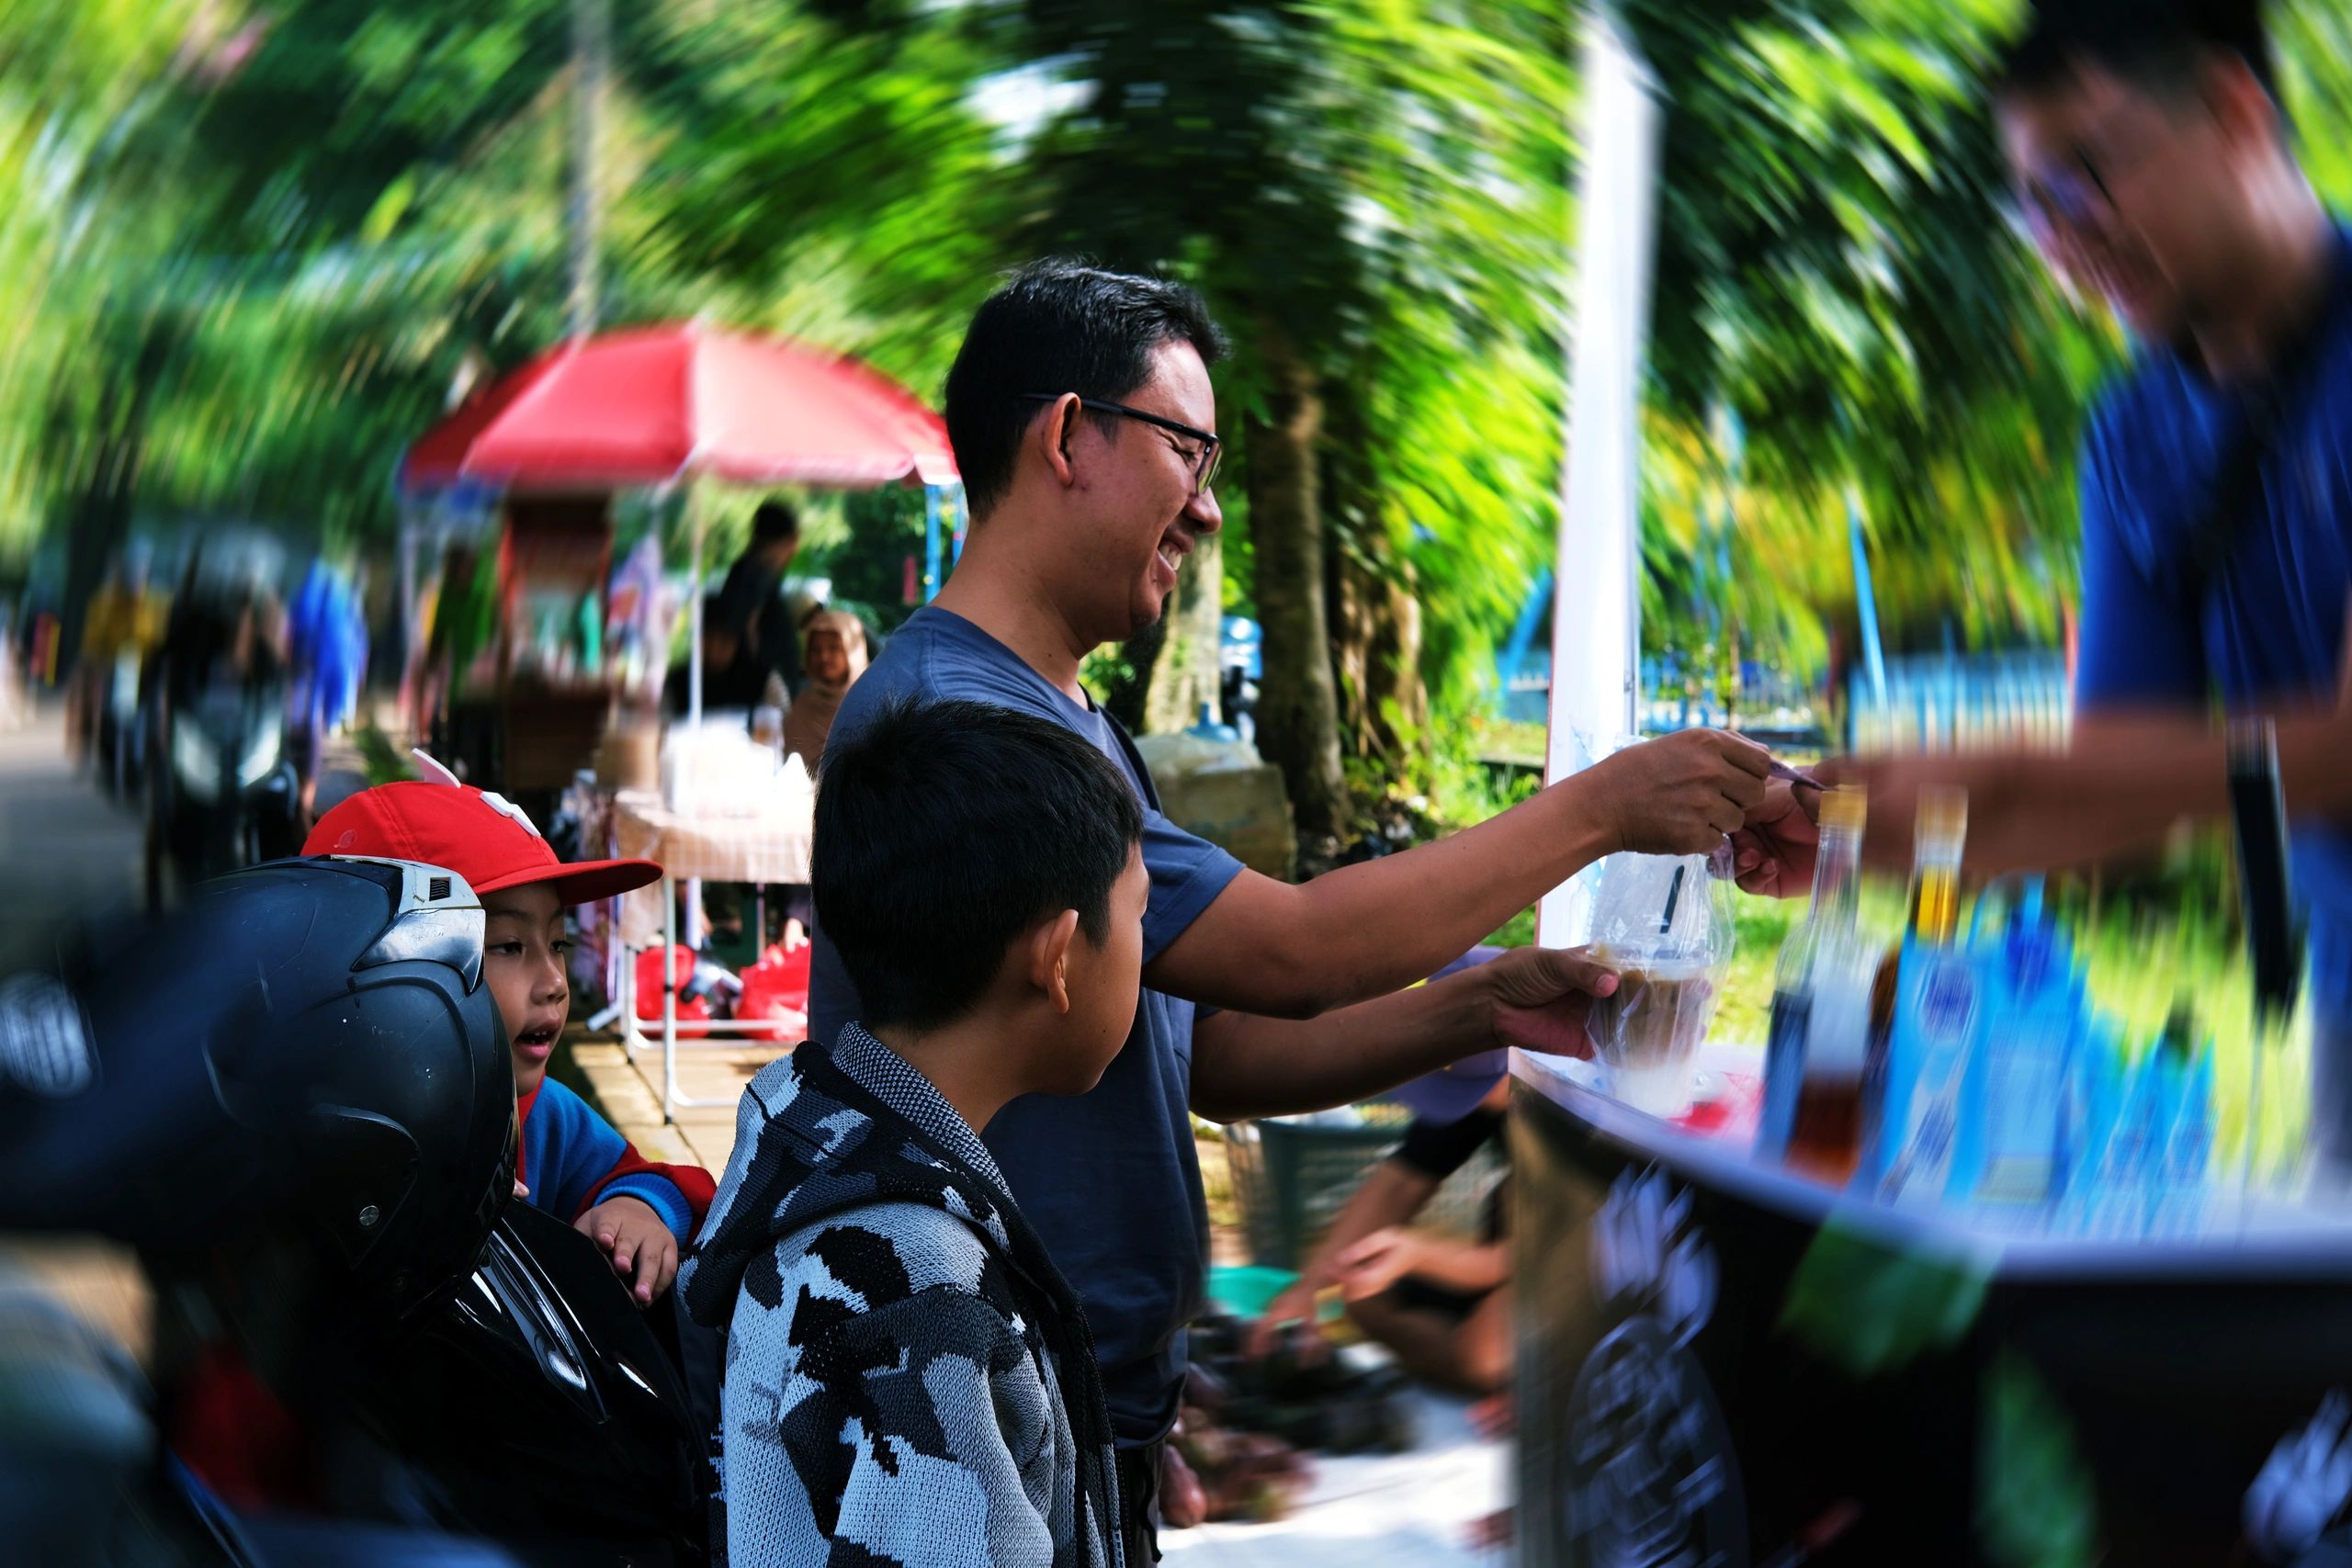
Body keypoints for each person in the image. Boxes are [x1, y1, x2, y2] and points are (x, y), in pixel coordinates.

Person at [806, 259, 1817, 1557]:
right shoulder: (964, 720)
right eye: (1190, 451)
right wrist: (1603, 806)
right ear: (1068, 434)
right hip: (977, 1406)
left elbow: (1208, 1049)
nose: (1211, 510)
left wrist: (1482, 1004)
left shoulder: (1063, 717)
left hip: (1072, 1401)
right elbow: (1292, 948)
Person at [1830, 0, 2352, 1166]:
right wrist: (1865, 829)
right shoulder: (2132, 433)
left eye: (2086, 176)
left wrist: (1988, 770)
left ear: (2232, 111)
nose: (2061, 234)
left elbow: (2340, 750)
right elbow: (2120, 789)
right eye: (2030, 204)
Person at [684, 696, 1144, 1567]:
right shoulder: (919, 1281)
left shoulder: (829, 1148)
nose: (1143, 949)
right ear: (1056, 960)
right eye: (1139, 912)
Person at [304, 759, 718, 1303]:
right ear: (384, 966)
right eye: (508, 946)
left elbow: (640, 1176)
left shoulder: (544, 1114)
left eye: (558, 945)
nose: (554, 984)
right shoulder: (310, 1132)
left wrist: (635, 1209)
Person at [1250, 1076, 1513, 1397]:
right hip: (1514, 1260)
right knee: (1362, 1295)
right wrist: (1309, 1288)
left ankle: (1522, 1382)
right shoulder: (1477, 1082)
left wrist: (1421, 1256)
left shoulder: (1574, 1109)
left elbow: (1542, 1253)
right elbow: (1399, 1183)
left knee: (1483, 1357)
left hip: (1572, 1267)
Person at [705, 499, 804, 707]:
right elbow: (744, 629)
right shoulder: (753, 572)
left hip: (769, 686)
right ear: (791, 539)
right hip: (764, 693)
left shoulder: (756, 571)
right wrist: (760, 678)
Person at [783, 606, 870, 768]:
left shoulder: (873, 704)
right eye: (816, 650)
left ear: (852, 651)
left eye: (833, 648)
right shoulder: (803, 705)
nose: (824, 657)